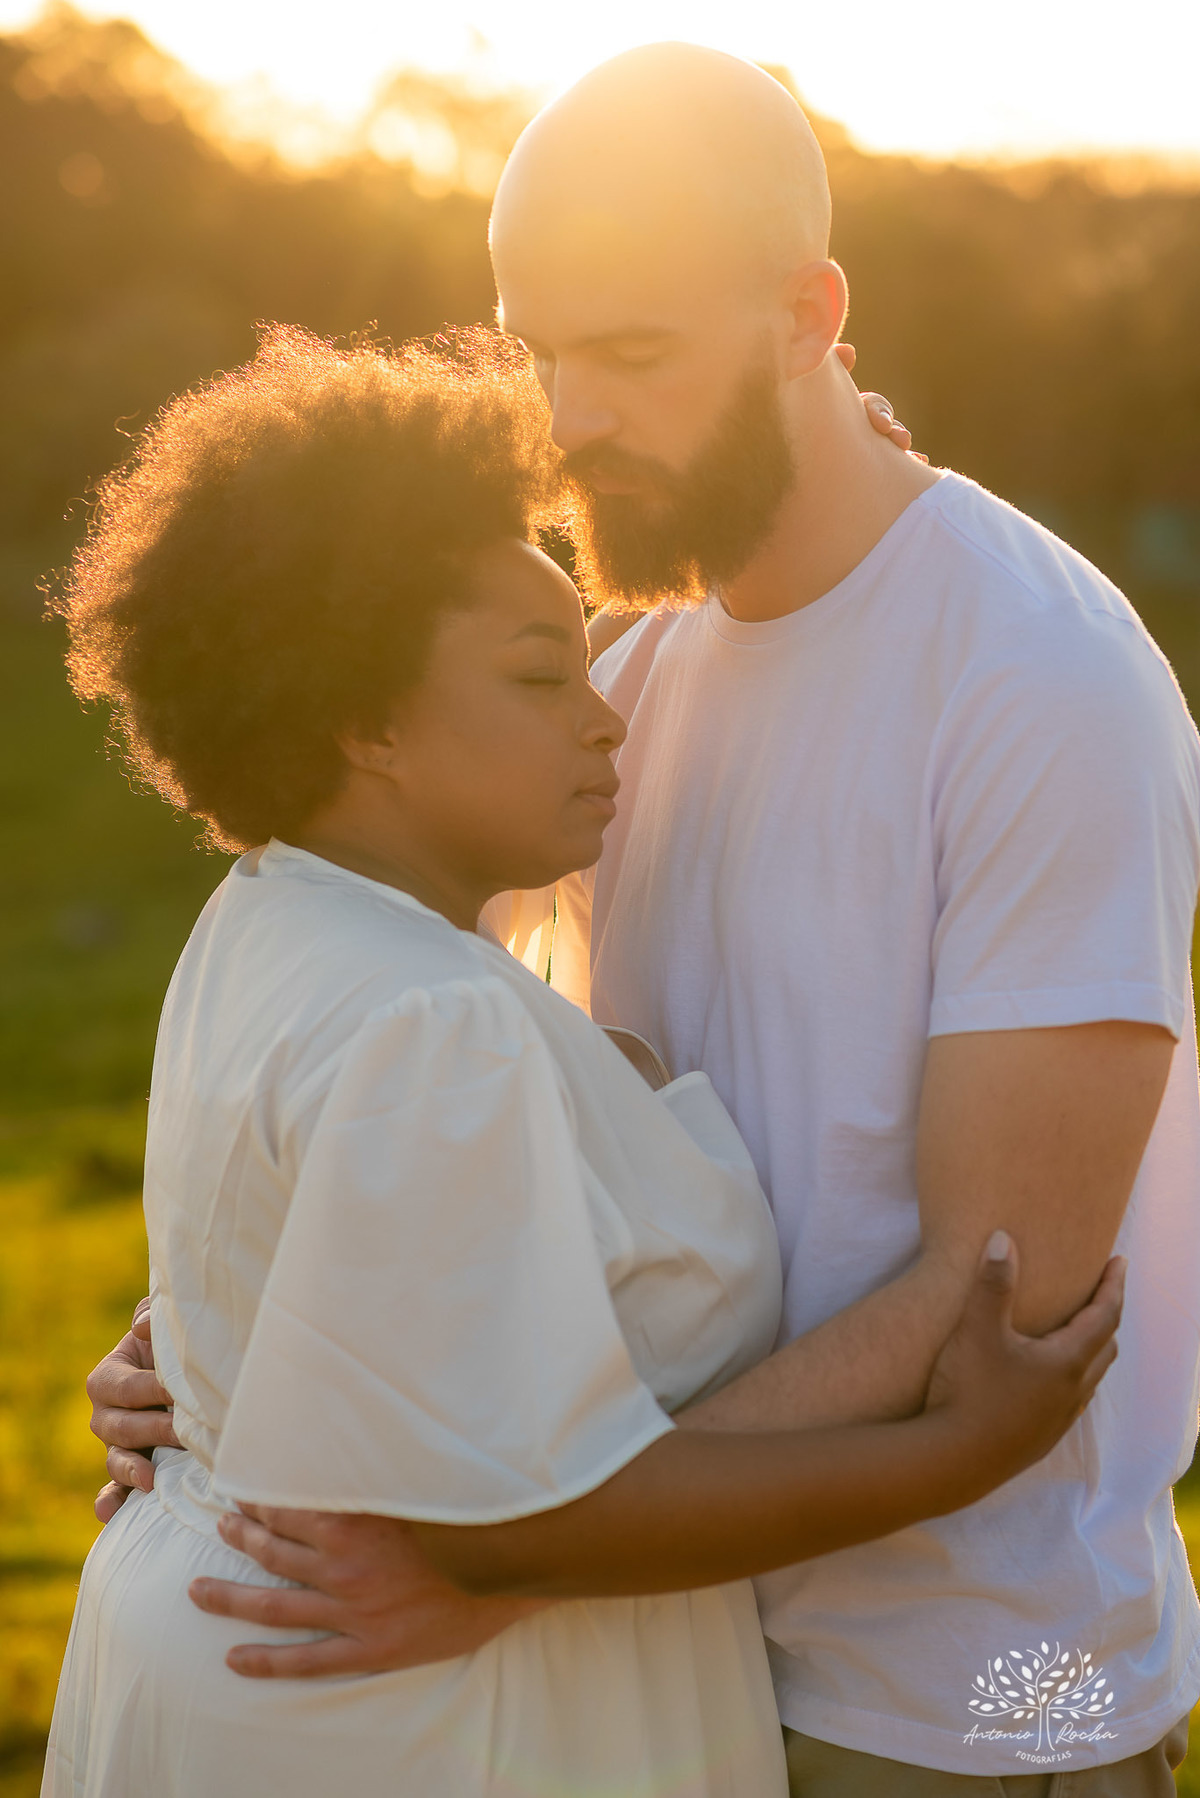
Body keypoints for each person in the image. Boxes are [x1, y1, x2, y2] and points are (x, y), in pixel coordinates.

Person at [91, 43, 1200, 1798]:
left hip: (959, 1699)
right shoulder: (624, 668)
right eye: (541, 350)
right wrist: (229, 1343)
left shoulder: (1037, 676)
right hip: (643, 1665)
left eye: (633, 352)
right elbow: (415, 1071)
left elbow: (1004, 1295)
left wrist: (507, 1532)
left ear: (808, 314)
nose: (571, 416)